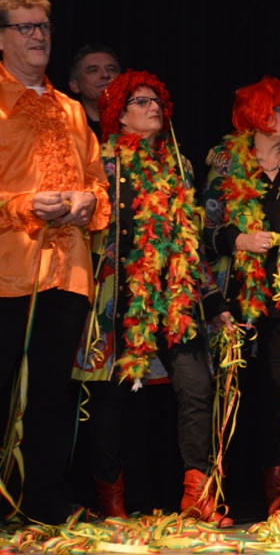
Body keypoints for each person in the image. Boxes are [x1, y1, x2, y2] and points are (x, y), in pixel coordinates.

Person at [77, 70, 234, 525]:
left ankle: (197, 495)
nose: (154, 109)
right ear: (119, 113)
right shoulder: (103, 161)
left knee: (197, 387)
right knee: (110, 398)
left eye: (158, 102)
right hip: (118, 296)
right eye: (142, 102)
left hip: (175, 296)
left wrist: (214, 304)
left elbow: (191, 240)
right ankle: (111, 499)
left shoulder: (180, 165)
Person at [0, 0, 110, 523]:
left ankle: (44, 503)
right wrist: (23, 204)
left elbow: (99, 184)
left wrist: (90, 201)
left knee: (50, 394)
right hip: (8, 271)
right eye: (25, 27)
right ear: (2, 38)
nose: (38, 36)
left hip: (67, 273)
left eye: (43, 26)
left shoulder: (69, 109)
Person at [203, 77, 280, 517]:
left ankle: (277, 494)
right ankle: (215, 492)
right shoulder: (225, 162)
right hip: (234, 298)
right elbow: (202, 232)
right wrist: (238, 240)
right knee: (227, 396)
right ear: (257, 115)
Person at [69, 44, 121, 139]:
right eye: (93, 70)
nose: (105, 75)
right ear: (75, 86)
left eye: (111, 69)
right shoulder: (68, 129)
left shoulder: (137, 124)